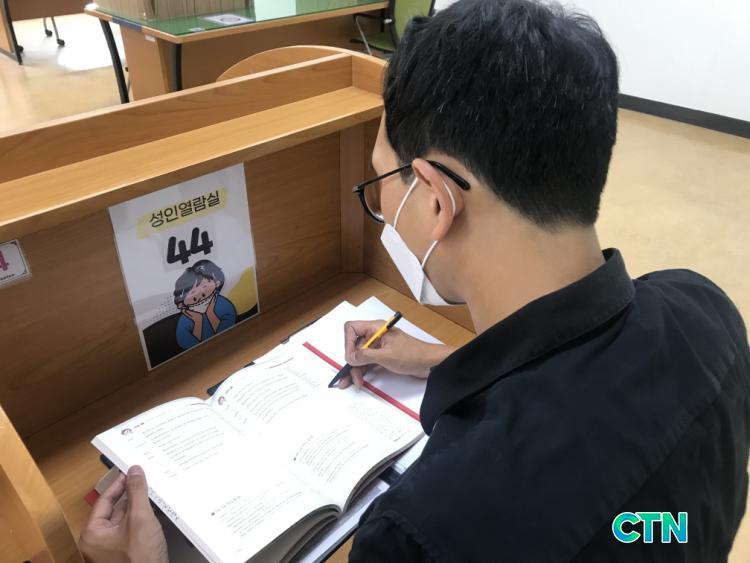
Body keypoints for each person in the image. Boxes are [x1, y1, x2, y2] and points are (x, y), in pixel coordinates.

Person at [80, 0, 750, 561]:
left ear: (434, 200)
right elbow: (640, 517)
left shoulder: (427, 532)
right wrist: (442, 357)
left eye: (381, 181)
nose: (382, 206)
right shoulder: (708, 315)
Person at [173, 259, 237, 350]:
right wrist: (197, 321)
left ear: (216, 283)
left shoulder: (223, 304)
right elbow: (188, 345)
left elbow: (225, 332)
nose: (201, 298)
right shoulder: (185, 319)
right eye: (194, 297)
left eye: (204, 291)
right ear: (181, 304)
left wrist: (211, 312)